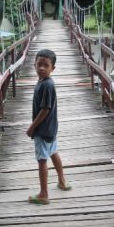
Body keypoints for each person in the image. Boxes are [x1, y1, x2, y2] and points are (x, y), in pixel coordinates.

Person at [26, 49, 71, 205]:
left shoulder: (47, 85)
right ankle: (62, 181)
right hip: (51, 128)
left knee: (42, 159)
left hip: (43, 129)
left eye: (46, 65)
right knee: (53, 152)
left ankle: (44, 194)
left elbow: (45, 109)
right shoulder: (44, 82)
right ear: (34, 65)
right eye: (39, 65)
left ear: (53, 68)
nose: (42, 68)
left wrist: (32, 127)